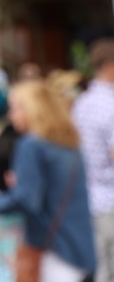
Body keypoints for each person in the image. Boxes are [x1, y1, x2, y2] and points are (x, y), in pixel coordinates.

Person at [0, 80, 96, 282]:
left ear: (31, 109)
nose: (11, 116)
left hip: (52, 249)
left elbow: (27, 199)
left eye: (15, 108)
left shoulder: (31, 145)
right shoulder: (70, 145)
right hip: (80, 248)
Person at [73, 37, 114, 282]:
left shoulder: (82, 103)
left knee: (100, 270)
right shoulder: (110, 104)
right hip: (110, 198)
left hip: (90, 198)